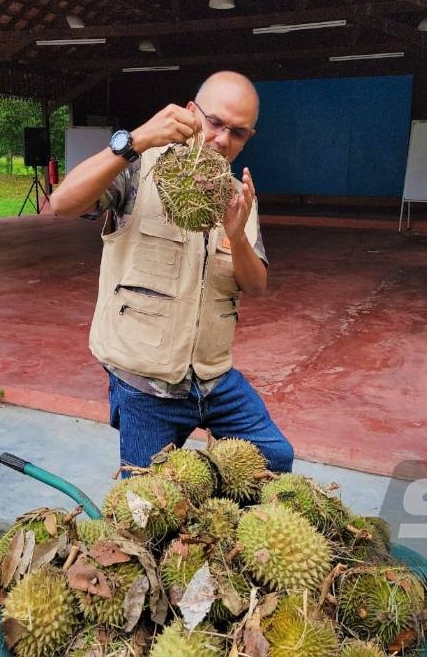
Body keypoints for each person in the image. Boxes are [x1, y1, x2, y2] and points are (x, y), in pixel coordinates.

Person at [49, 70, 294, 473]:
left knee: (275, 458)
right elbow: (62, 203)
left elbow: (256, 285)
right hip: (146, 382)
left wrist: (237, 235)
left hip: (213, 377)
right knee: (148, 500)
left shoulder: (237, 197)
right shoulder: (138, 169)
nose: (222, 140)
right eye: (215, 122)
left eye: (237, 132)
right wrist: (135, 141)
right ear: (191, 112)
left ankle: (204, 496)